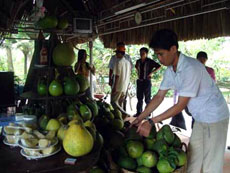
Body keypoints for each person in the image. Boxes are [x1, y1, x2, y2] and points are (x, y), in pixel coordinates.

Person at [131, 29, 229, 173]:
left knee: (211, 163)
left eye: (161, 54)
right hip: (200, 117)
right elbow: (159, 97)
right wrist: (140, 118)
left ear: (173, 49)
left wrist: (152, 122)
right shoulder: (171, 70)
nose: (159, 59)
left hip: (215, 117)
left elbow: (181, 105)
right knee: (193, 157)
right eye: (157, 54)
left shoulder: (190, 68)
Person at [135, 47, 160, 117]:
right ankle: (138, 113)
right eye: (140, 53)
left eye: (143, 53)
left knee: (147, 98)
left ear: (146, 54)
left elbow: (159, 66)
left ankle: (147, 113)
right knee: (139, 98)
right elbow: (136, 67)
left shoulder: (149, 61)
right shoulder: (138, 61)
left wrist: (151, 73)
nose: (141, 54)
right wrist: (139, 74)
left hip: (147, 81)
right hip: (140, 81)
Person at [111, 46, 131, 114]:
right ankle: (121, 118)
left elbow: (117, 76)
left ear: (120, 53)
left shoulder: (118, 62)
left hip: (118, 86)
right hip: (124, 86)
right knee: (120, 103)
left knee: (113, 102)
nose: (116, 55)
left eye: (117, 53)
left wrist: (114, 87)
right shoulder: (128, 63)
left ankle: (124, 114)